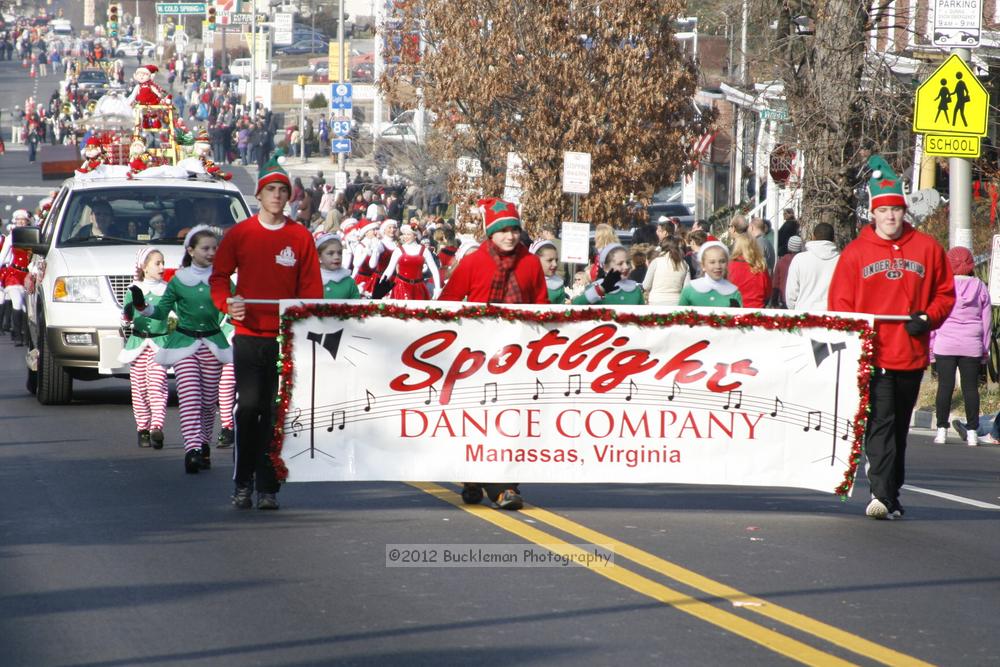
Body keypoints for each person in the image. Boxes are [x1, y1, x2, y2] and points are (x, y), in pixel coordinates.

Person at [828, 155, 955, 520]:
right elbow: (840, 304)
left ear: (905, 212)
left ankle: (892, 492)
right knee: (881, 421)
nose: (891, 217)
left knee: (899, 425)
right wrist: (857, 335)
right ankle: (881, 494)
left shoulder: (928, 249)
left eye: (896, 210)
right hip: (875, 354)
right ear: (873, 213)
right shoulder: (855, 254)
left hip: (911, 353)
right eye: (884, 210)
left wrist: (927, 318)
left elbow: (945, 294)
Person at [209, 157, 323, 511]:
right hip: (248, 335)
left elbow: (312, 291)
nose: (277, 195)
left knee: (276, 414)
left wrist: (303, 317)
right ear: (259, 195)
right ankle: (242, 482)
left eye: (283, 190)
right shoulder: (240, 234)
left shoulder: (300, 236)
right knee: (250, 409)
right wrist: (228, 303)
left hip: (285, 340)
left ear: (290, 196)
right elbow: (218, 277)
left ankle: (268, 486)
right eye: (271, 189)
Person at [439, 198, 547, 511]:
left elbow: (541, 305)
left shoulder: (530, 263)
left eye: (514, 230)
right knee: (479, 419)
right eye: (502, 231)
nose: (509, 236)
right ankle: (476, 478)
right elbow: (448, 301)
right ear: (490, 233)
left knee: (509, 420)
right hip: (475, 358)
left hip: (516, 356)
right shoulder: (473, 262)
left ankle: (504, 486)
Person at [132, 227, 233, 474]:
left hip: (212, 344)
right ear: (191, 250)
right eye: (205, 248)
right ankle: (192, 450)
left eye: (214, 248)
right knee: (190, 399)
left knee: (208, 403)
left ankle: (204, 443)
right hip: (184, 345)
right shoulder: (178, 280)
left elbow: (234, 306)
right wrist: (143, 307)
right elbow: (162, 310)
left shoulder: (221, 278)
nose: (211, 253)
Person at [929, 246, 991, 446]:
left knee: (945, 387)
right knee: (970, 388)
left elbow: (934, 317)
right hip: (971, 343)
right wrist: (985, 347)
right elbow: (987, 320)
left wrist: (931, 345)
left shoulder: (942, 286)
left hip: (945, 341)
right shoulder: (980, 287)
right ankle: (972, 432)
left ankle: (941, 430)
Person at [120, 248, 170, 450]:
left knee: (157, 386)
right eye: (157, 263)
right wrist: (126, 315)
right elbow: (127, 317)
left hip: (160, 344)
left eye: (162, 262)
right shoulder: (133, 289)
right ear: (144, 266)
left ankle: (157, 427)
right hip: (138, 344)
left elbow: (173, 314)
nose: (162, 267)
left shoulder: (167, 290)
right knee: (140, 388)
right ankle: (143, 428)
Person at [378, 224, 441, 300]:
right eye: (404, 234)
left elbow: (434, 269)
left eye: (408, 234)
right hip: (401, 286)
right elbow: (389, 269)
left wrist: (437, 288)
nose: (405, 237)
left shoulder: (424, 250)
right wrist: (380, 286)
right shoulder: (399, 250)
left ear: (415, 236)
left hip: (419, 287)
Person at [785, 224, 839, 311]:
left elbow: (791, 295)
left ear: (813, 237)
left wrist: (796, 310)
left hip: (804, 315)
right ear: (834, 239)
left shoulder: (799, 259)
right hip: (831, 316)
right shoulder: (840, 261)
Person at [573, 243, 644, 306]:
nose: (626, 267)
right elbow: (575, 305)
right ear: (605, 267)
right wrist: (600, 289)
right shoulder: (595, 287)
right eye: (620, 263)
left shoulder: (635, 290)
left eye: (627, 262)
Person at [678, 241, 742, 307]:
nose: (718, 266)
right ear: (703, 265)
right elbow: (679, 315)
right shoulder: (690, 290)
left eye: (722, 261)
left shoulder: (733, 292)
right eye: (712, 262)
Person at [727, 233, 771, 308]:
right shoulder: (760, 266)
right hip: (756, 311)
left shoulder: (729, 266)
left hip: (734, 310)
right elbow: (768, 293)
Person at [643, 236, 690, 306]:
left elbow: (646, 286)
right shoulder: (684, 264)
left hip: (656, 301)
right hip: (677, 302)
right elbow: (687, 288)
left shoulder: (656, 262)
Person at [317, 234, 361, 299]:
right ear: (319, 257)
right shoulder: (312, 279)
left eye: (339, 253)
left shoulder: (349, 282)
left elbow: (357, 306)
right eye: (330, 253)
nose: (337, 257)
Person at [769, 235, 803, 308]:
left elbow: (775, 284)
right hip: (800, 299)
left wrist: (774, 302)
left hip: (784, 299)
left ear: (788, 247)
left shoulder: (781, 261)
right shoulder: (803, 262)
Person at [529, 239, 567, 304]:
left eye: (556, 260)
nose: (555, 264)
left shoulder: (558, 284)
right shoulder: (526, 282)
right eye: (550, 260)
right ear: (535, 260)